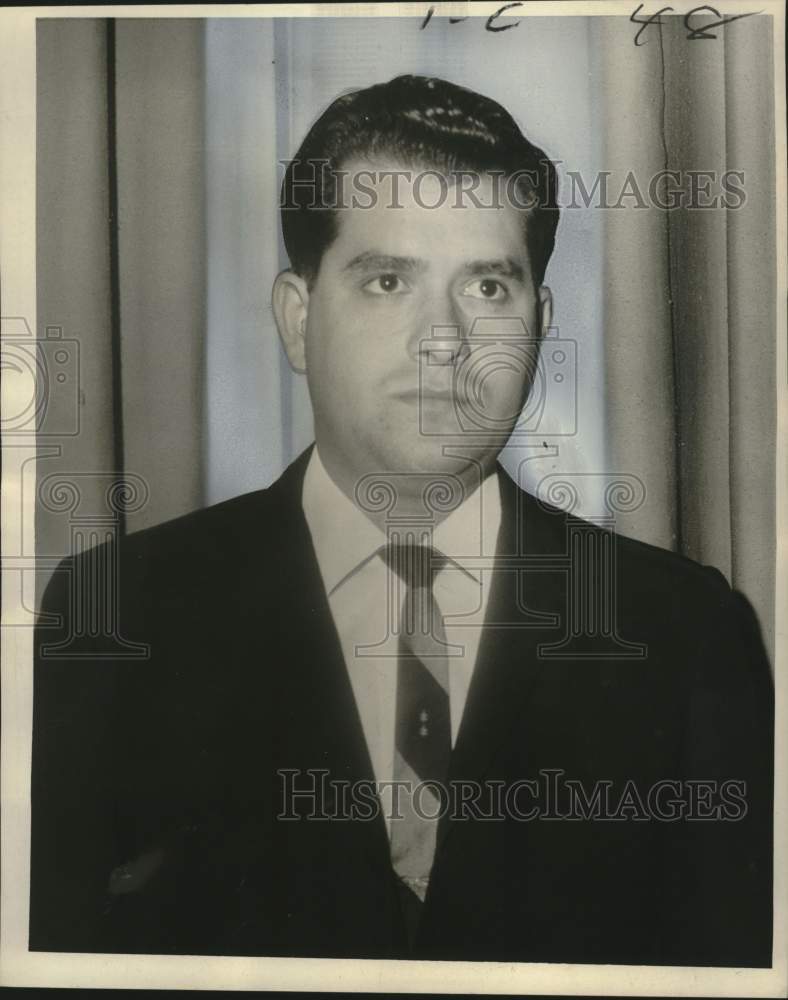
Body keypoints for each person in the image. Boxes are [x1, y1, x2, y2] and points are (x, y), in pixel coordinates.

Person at [30, 75, 773, 965]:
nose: (446, 340)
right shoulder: (119, 619)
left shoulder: (684, 634)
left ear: (539, 325)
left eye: (489, 289)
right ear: (298, 322)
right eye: (388, 281)